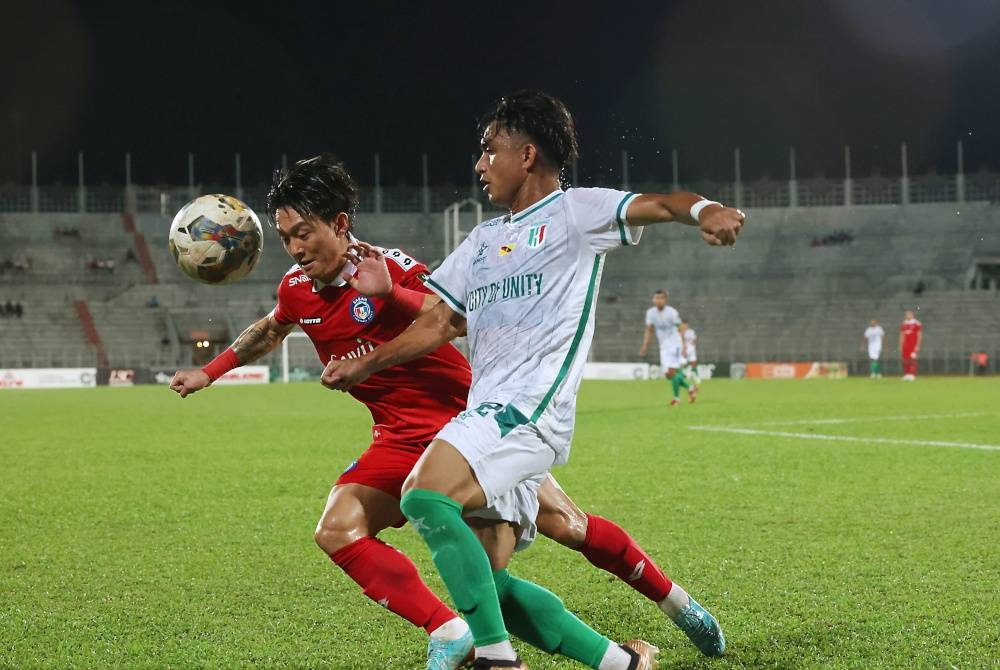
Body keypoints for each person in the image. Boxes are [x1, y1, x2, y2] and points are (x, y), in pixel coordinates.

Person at [170, 154, 722, 670]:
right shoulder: (296, 289)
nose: (295, 247)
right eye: (286, 236)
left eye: (305, 232)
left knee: (558, 535)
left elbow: (452, 319)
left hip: (463, 425)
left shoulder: (392, 267)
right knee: (339, 529)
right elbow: (270, 329)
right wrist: (208, 372)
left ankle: (674, 609)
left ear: (340, 224)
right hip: (395, 438)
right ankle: (453, 631)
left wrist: (391, 296)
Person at [323, 90, 743, 669]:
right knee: (488, 588)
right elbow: (441, 321)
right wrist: (366, 352)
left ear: (526, 155)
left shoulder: (576, 214)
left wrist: (705, 211)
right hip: (490, 413)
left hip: (530, 410)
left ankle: (499, 661)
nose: (479, 164)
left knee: (423, 494)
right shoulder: (480, 243)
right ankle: (624, 664)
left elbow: (664, 203)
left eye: (488, 149)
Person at [639, 291, 696, 406]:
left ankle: (676, 399)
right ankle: (691, 388)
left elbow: (680, 328)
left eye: (661, 298)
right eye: (657, 298)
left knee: (672, 371)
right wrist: (645, 345)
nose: (659, 300)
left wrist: (684, 345)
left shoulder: (672, 312)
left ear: (665, 300)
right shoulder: (650, 313)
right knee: (668, 374)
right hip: (664, 346)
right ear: (653, 300)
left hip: (675, 344)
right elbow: (649, 330)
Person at [899, 310, 922, 381]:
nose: (908, 315)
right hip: (905, 345)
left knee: (912, 359)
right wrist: (900, 345)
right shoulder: (904, 323)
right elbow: (902, 335)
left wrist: (918, 345)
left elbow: (919, 335)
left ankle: (912, 374)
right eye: (906, 314)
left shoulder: (917, 323)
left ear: (912, 315)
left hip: (913, 345)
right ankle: (906, 374)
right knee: (905, 359)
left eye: (909, 314)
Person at [679, 321, 701, 388]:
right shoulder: (680, 332)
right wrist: (684, 348)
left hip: (691, 349)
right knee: (682, 364)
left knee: (694, 363)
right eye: (683, 325)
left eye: (686, 325)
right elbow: (680, 340)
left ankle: (696, 377)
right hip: (683, 349)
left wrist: (694, 344)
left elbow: (694, 338)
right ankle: (682, 377)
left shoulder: (691, 331)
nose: (685, 326)